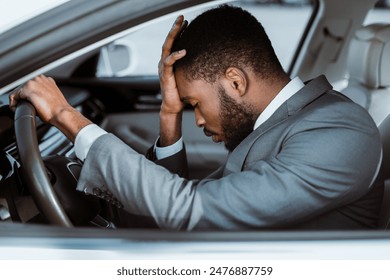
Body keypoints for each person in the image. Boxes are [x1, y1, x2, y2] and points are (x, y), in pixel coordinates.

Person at [10, 5, 383, 230]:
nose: (199, 121)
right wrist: (170, 115)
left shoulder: (340, 132)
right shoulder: (288, 123)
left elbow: (192, 211)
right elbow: (172, 211)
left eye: (195, 104)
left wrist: (65, 116)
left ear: (234, 82)